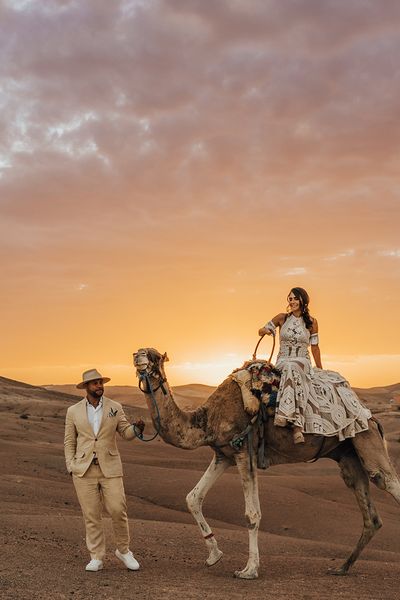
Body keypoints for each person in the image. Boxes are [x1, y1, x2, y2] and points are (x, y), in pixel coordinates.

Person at [258, 287, 371, 444]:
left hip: (302, 361)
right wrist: (264, 330)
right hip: (283, 360)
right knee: (289, 366)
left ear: (303, 300)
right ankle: (290, 420)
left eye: (295, 298)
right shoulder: (282, 318)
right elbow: (262, 330)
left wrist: (319, 367)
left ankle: (295, 424)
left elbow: (315, 347)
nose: (292, 302)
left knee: (294, 367)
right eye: (290, 299)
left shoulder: (311, 322)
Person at [64, 368, 145, 572]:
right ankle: (96, 557)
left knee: (118, 510)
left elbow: (126, 433)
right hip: (83, 470)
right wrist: (71, 465)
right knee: (91, 515)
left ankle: (124, 551)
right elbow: (69, 441)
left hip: (110, 468)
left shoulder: (114, 407)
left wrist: (137, 429)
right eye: (95, 383)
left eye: (101, 382)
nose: (99, 386)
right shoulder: (73, 411)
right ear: (87, 387)